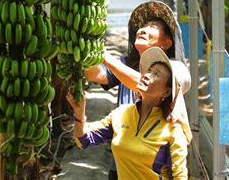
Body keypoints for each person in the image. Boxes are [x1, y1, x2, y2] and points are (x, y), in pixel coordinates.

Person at [84, 0, 186, 178]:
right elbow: (95, 75)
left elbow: (142, 85)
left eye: (153, 26)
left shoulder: (173, 70)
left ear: (166, 43)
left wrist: (106, 56)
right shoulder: (126, 63)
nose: (143, 29)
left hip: (153, 162)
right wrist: (85, 46)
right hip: (123, 158)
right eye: (143, 25)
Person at [67, 47, 192, 179]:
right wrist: (79, 112)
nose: (146, 75)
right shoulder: (122, 114)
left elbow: (179, 177)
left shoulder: (173, 131)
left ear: (167, 92)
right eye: (149, 70)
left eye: (156, 74)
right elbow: (83, 140)